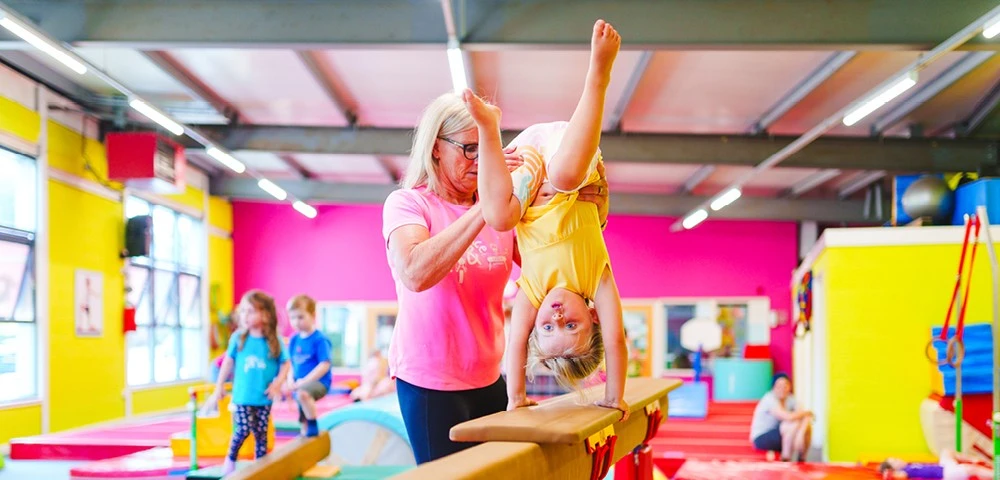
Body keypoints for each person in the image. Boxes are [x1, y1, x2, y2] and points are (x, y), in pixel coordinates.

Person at [382, 87, 609, 463]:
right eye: (470, 148)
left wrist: (591, 211)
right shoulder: (408, 203)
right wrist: (490, 204)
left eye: (484, 148)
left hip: (488, 376)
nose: (479, 160)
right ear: (436, 146)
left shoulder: (504, 212)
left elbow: (550, 266)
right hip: (429, 382)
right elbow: (415, 273)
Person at [462, 19, 628, 419]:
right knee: (565, 177)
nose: (556, 319)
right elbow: (619, 339)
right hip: (571, 157)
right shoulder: (597, 278)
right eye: (572, 327)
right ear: (592, 317)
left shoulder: (532, 294)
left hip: (528, 163)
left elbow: (515, 342)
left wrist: (515, 398)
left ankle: (488, 128)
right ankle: (598, 76)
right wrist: (614, 395)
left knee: (499, 218)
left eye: (549, 330)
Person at [205, 290, 290, 476]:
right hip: (243, 395)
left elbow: (285, 363)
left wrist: (278, 383)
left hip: (264, 396)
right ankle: (231, 457)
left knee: (261, 434)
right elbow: (227, 362)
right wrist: (219, 386)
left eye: (250, 311)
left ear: (266, 315)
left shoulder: (274, 340)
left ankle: (260, 465)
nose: (244, 315)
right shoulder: (239, 338)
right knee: (243, 429)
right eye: (243, 311)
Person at [282, 294, 332, 437]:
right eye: (292, 318)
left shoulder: (319, 339)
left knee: (303, 394)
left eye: (300, 317)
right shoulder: (293, 340)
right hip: (299, 384)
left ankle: (313, 425)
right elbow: (290, 363)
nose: (296, 322)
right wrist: (290, 379)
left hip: (319, 383)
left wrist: (305, 381)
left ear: (313, 315)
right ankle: (305, 431)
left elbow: (324, 365)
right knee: (301, 404)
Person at [749, 373, 814, 462]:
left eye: (785, 385)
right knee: (790, 424)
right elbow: (788, 417)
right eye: (779, 386)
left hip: (783, 435)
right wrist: (805, 413)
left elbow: (805, 416)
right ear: (773, 387)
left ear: (790, 386)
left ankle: (802, 459)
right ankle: (785, 458)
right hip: (762, 437)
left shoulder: (790, 399)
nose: (782, 389)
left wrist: (801, 434)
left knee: (806, 426)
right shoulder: (769, 399)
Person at [879, 449, 993, 479]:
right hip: (946, 474)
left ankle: (973, 458)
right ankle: (995, 475)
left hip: (943, 467)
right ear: (893, 468)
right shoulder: (903, 472)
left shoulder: (909, 465)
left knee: (946, 451)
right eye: (894, 461)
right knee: (971, 469)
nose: (898, 459)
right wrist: (887, 474)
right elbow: (897, 477)